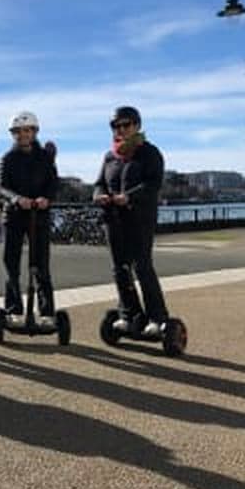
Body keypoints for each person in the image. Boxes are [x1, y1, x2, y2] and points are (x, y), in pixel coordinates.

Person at [93, 106, 168, 336]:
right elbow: (99, 183)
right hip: (113, 218)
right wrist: (98, 196)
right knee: (120, 269)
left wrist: (130, 196)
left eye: (126, 125)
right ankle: (130, 314)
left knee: (142, 266)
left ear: (137, 125)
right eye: (116, 126)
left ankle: (157, 317)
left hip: (140, 217)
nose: (121, 130)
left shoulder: (149, 153)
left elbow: (153, 184)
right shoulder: (109, 156)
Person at [0, 111, 58, 324]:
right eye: (17, 132)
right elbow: (2, 187)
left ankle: (47, 312)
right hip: (14, 216)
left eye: (26, 131)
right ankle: (14, 309)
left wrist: (47, 198)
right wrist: (16, 199)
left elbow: (53, 183)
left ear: (34, 132)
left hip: (38, 215)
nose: (22, 135)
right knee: (11, 264)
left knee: (41, 265)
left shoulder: (45, 157)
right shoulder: (8, 158)